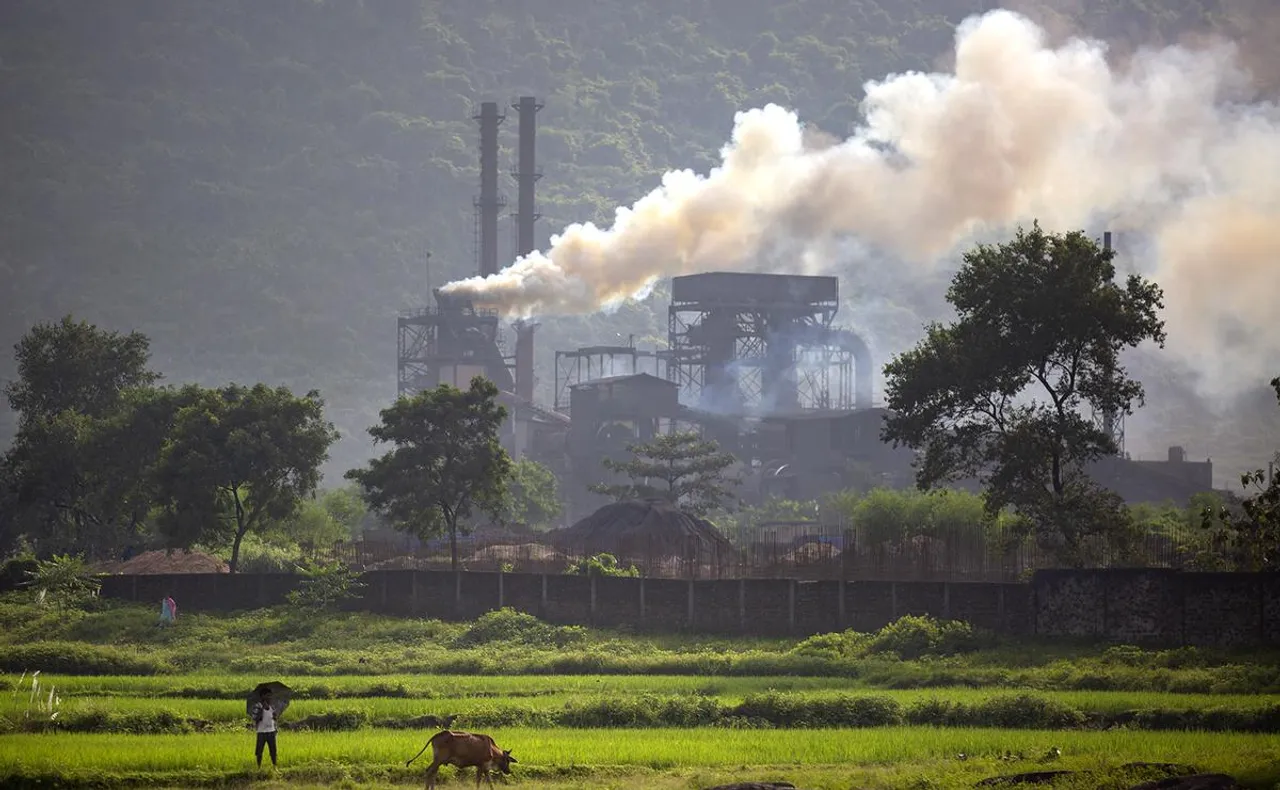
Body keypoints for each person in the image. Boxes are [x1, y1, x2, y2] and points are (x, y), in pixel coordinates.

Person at [251, 689, 280, 768]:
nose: (270, 697)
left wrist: (275, 716)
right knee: (259, 752)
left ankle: (275, 767)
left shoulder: (272, 706)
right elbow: (255, 718)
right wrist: (262, 710)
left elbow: (274, 718)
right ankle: (259, 767)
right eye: (268, 695)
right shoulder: (258, 706)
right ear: (262, 696)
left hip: (271, 731)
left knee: (273, 751)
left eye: (270, 696)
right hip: (261, 732)